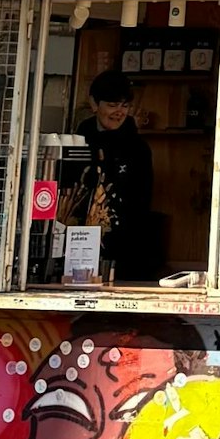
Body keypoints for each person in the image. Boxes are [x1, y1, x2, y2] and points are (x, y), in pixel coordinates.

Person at [71, 69, 156, 281]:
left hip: (126, 245)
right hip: (77, 239)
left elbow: (142, 200)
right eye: (112, 105)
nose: (119, 112)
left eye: (124, 106)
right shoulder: (77, 143)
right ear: (94, 104)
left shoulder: (138, 148)